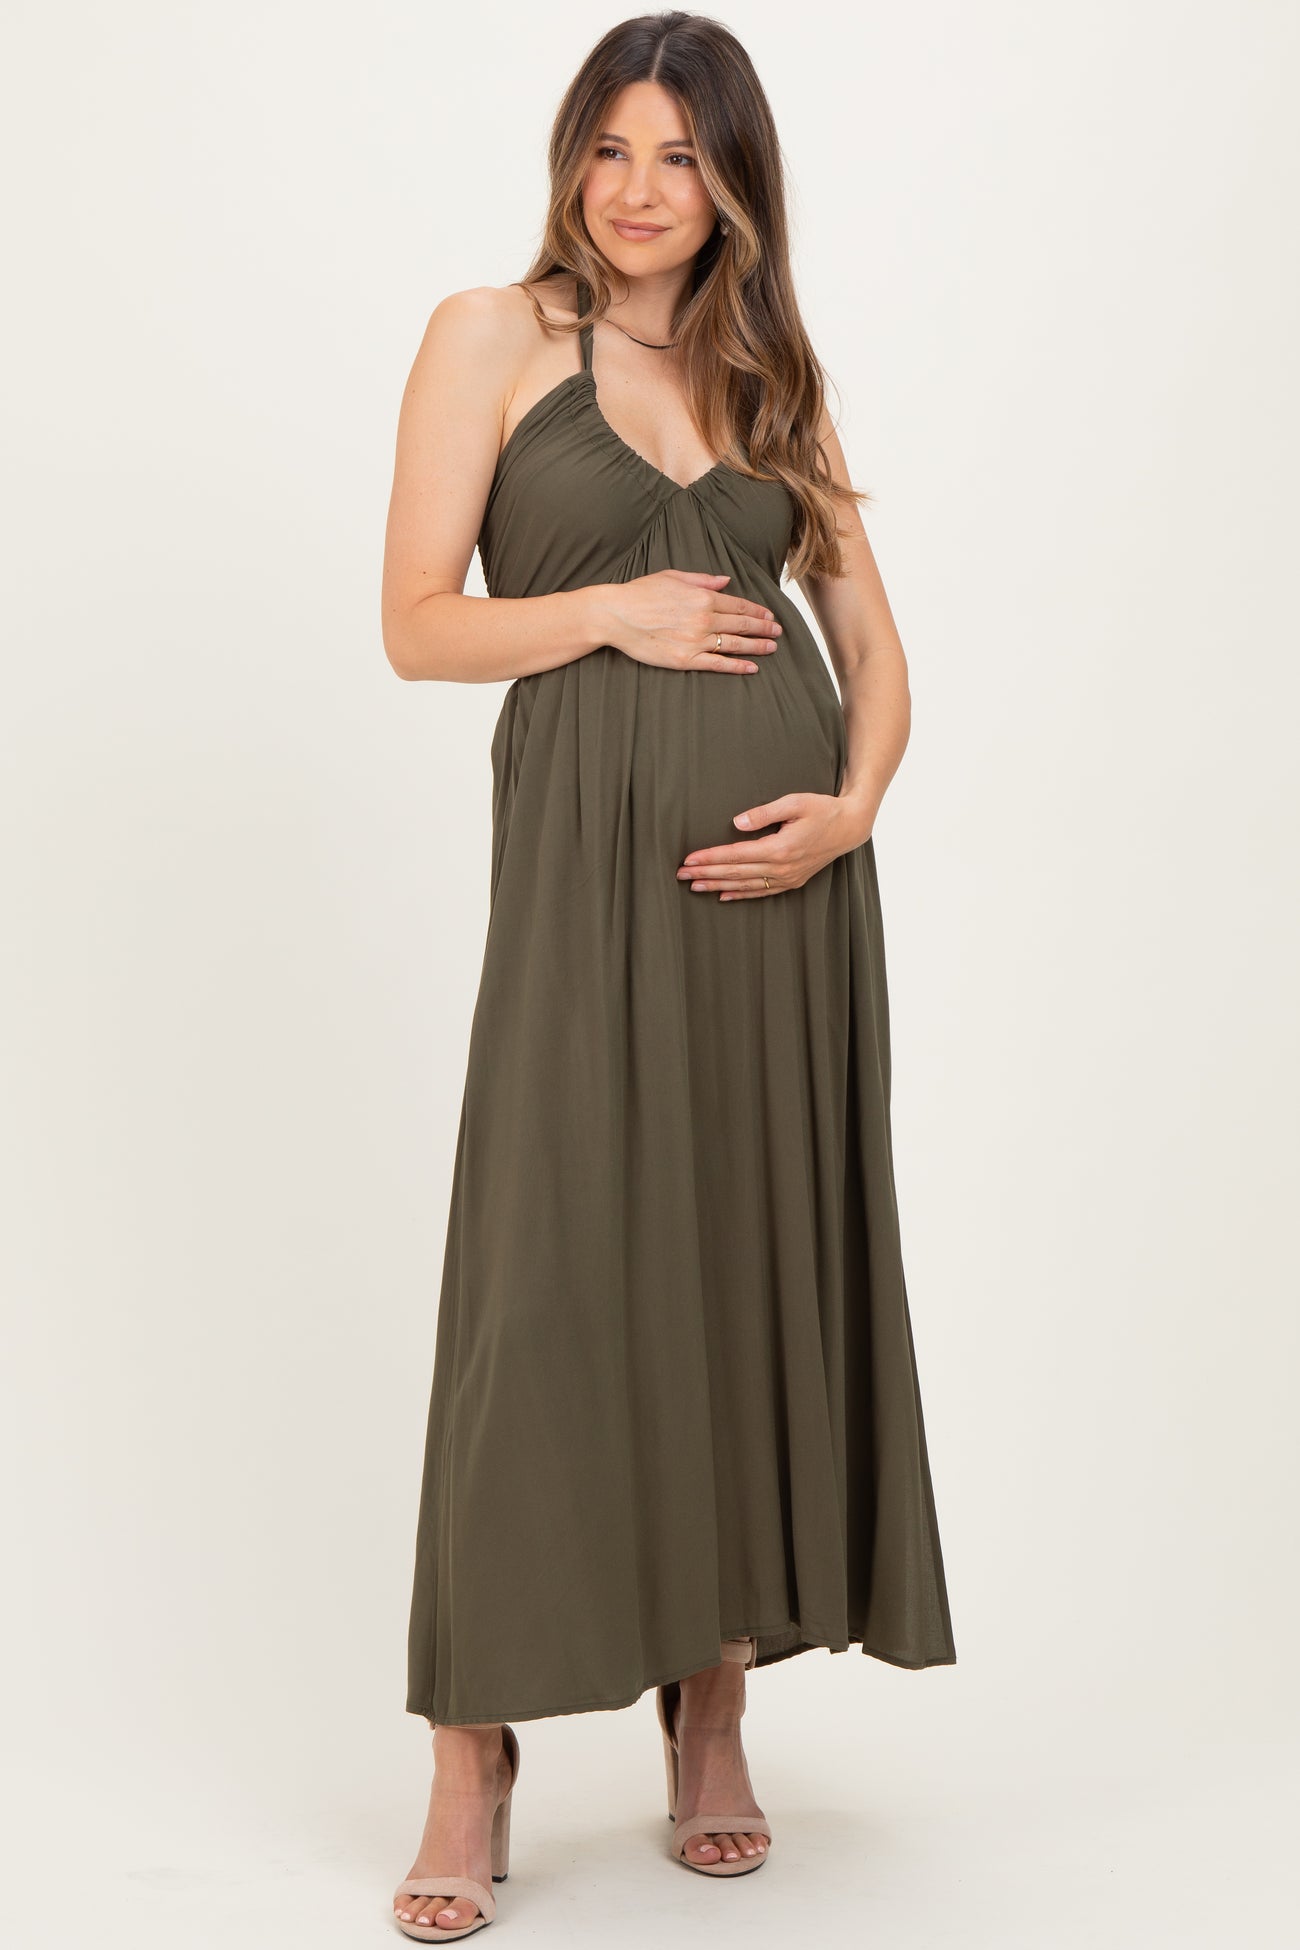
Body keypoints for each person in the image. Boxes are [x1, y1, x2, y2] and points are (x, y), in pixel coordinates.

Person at [380, 12, 956, 1939]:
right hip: (582, 892)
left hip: (783, 910)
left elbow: (873, 641)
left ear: (735, 186)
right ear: (571, 157)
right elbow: (415, 625)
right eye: (612, 147)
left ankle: (713, 1707)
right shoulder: (490, 335)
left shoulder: (771, 371)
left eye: (682, 157)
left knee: (736, 1258)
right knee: (541, 1276)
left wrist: (851, 810)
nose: (639, 190)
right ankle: (472, 1749)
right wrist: (607, 611)